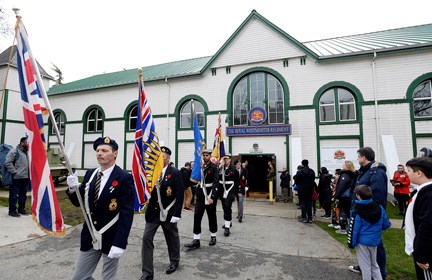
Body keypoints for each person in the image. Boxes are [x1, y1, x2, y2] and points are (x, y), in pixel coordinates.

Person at [66, 136, 135, 280]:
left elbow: (126, 214)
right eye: (98, 150)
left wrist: (120, 243)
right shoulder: (90, 174)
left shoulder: (123, 178)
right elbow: (79, 202)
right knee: (79, 277)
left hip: (111, 237)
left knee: (108, 277)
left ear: (115, 153)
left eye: (104, 150)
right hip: (90, 235)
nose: (99, 153)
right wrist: (73, 189)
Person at [140, 146, 184, 279]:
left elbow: (179, 194)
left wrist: (177, 213)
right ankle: (147, 272)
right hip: (153, 213)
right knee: (147, 239)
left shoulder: (174, 172)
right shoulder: (151, 172)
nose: (160, 158)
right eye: (158, 156)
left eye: (163, 156)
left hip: (168, 212)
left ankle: (174, 261)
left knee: (172, 238)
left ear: (168, 158)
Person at [349, 147, 388, 279]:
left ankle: (380, 273)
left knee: (377, 245)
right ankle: (364, 266)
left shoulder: (376, 173)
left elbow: (379, 196)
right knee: (364, 243)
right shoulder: (365, 171)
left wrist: (374, 215)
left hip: (370, 216)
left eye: (358, 156)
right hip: (361, 212)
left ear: (364, 157)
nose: (357, 159)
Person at [348, 184, 391, 280]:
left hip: (362, 242)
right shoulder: (379, 207)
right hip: (375, 241)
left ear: (358, 196)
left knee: (365, 266)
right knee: (374, 265)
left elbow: (354, 229)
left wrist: (351, 243)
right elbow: (386, 224)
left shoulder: (356, 211)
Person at [184, 149, 219, 249]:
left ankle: (213, 236)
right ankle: (196, 239)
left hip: (209, 195)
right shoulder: (200, 167)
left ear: (210, 156)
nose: (205, 157)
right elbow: (195, 180)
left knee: (211, 216)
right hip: (200, 195)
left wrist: (212, 197)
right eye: (204, 155)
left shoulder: (214, 168)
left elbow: (216, 183)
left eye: (207, 155)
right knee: (197, 216)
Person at [404, 157, 432, 280]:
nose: (407, 174)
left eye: (409, 171)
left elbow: (427, 226)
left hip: (426, 255)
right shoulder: (421, 192)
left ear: (419, 173)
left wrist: (421, 255)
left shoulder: (429, 194)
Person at [4, 137, 30, 217]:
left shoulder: (28, 152)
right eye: (26, 142)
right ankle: (12, 211)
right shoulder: (15, 151)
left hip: (26, 177)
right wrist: (14, 172)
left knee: (23, 194)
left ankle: (21, 209)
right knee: (14, 194)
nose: (28, 144)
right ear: (22, 143)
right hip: (17, 178)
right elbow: (7, 162)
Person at [333, 161, 358, 234]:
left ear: (347, 166)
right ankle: (350, 228)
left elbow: (341, 186)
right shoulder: (354, 174)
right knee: (348, 212)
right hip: (351, 195)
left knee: (344, 212)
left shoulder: (345, 175)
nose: (342, 165)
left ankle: (344, 229)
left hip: (344, 196)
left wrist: (336, 196)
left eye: (343, 164)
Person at [219, 153, 239, 236]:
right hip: (222, 190)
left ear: (230, 160)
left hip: (230, 190)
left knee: (227, 206)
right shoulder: (220, 169)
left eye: (227, 159)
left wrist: (236, 193)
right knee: (225, 207)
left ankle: (227, 228)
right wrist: (219, 166)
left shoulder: (234, 170)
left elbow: (236, 182)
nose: (226, 160)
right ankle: (229, 221)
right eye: (224, 159)